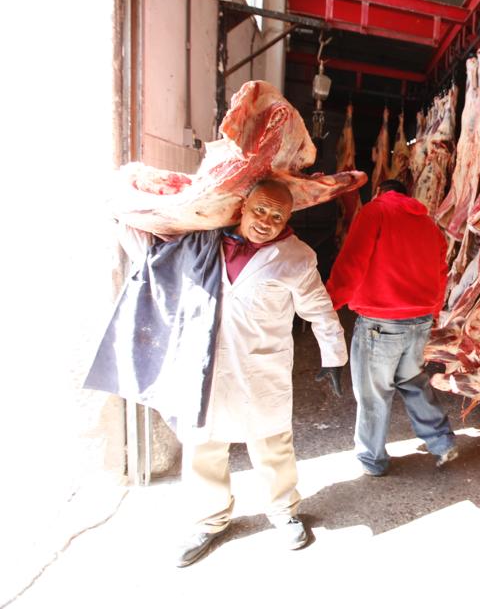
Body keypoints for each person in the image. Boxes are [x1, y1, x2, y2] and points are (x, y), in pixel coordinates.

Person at [86, 180, 347, 567]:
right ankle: (208, 521)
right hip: (202, 365)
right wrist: (123, 210)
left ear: (287, 219)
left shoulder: (297, 256)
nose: (266, 221)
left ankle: (283, 511)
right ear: (243, 207)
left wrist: (334, 358)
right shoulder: (200, 244)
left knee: (272, 444)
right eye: (260, 210)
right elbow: (150, 256)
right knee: (203, 447)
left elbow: (319, 309)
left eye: (277, 216)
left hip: (261, 368)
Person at [325, 179, 457, 477]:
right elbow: (441, 273)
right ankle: (442, 442)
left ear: (378, 193)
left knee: (373, 393)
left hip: (381, 325)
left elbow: (352, 262)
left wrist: (327, 303)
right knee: (413, 382)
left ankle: (372, 459)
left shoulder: (375, 212)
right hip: (419, 321)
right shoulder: (429, 225)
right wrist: (434, 314)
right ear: (407, 195)